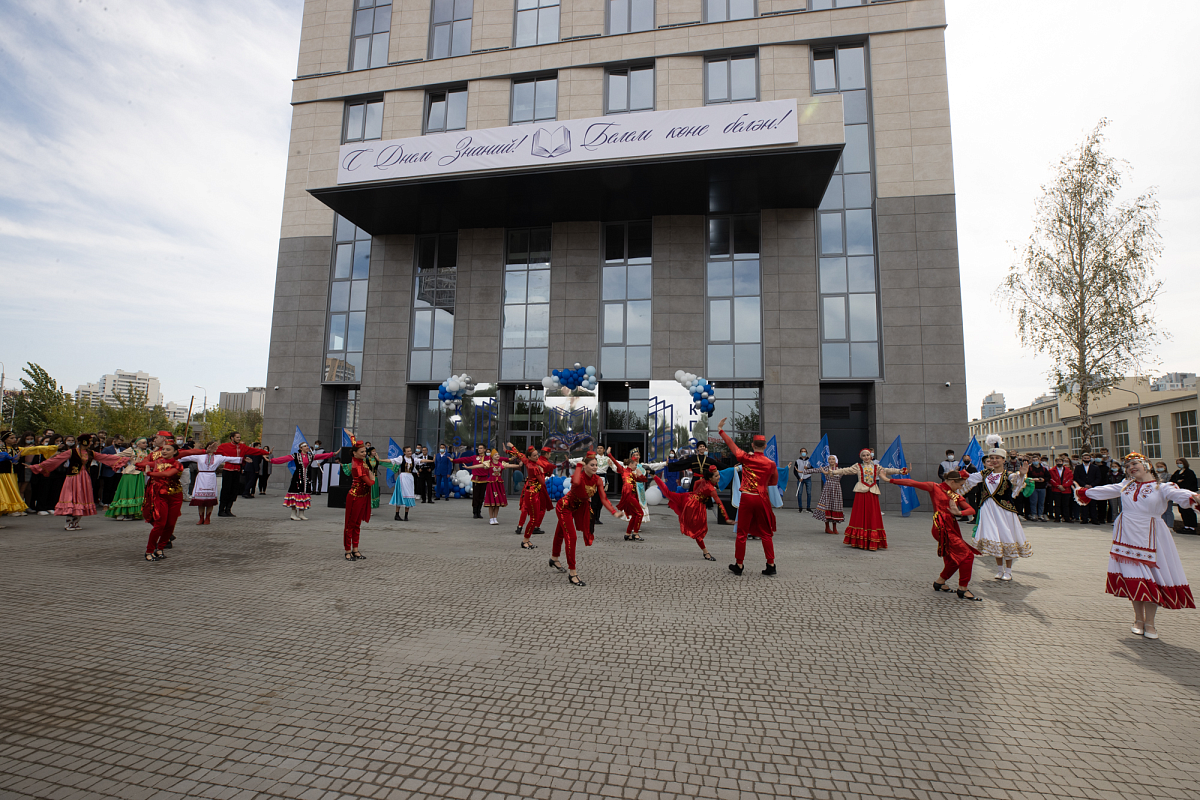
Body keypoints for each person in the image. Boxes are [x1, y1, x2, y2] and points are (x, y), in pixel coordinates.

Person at [1075, 452, 1197, 638]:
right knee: (1135, 579)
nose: (1131, 467)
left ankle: (1150, 623)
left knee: (1152, 581)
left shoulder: (1162, 487)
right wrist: (1084, 492)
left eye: (1134, 464)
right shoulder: (1126, 485)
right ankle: (1138, 620)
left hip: (1152, 538)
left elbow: (1180, 495)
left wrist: (1194, 496)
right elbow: (1106, 490)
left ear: (1147, 465)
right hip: (1127, 538)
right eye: (1128, 466)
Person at [890, 471, 982, 601]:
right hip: (941, 527)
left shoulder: (955, 495)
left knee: (955, 558)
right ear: (952, 482)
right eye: (960, 484)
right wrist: (890, 480)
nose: (961, 487)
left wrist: (959, 513)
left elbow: (971, 510)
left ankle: (940, 582)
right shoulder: (935, 487)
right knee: (967, 555)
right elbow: (913, 483)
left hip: (951, 527)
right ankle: (963, 588)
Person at [963, 435, 1032, 581]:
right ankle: (1000, 570)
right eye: (992, 458)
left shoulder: (1008, 475)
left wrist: (1022, 475)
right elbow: (968, 479)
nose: (994, 460)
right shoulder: (984, 474)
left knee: (1006, 537)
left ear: (1003, 460)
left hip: (1004, 511)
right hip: (988, 510)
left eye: (997, 458)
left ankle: (1008, 571)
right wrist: (955, 477)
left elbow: (1017, 482)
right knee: (994, 538)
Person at [550, 453, 624, 586]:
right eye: (592, 465)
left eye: (596, 465)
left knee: (560, 532)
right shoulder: (579, 476)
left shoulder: (598, 480)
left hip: (579, 507)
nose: (595, 467)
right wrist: (579, 465)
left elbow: (603, 498)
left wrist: (614, 512)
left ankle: (554, 558)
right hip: (565, 507)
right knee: (571, 537)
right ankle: (573, 573)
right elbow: (576, 482)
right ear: (585, 466)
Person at [28, 434, 128, 530]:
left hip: (84, 478)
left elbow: (106, 457)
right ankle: (69, 522)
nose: (90, 443)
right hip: (73, 478)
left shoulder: (90, 453)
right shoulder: (72, 452)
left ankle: (76, 522)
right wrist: (37, 466)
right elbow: (56, 460)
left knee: (82, 498)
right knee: (72, 498)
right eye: (89, 441)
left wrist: (123, 459)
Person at [717, 419, 778, 576]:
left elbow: (732, 446)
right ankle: (771, 564)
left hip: (747, 497)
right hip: (762, 498)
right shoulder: (771, 463)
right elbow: (773, 482)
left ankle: (739, 564)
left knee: (742, 533)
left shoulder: (746, 458)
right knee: (766, 533)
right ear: (765, 446)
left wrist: (721, 430)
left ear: (752, 445)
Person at [824, 447, 906, 551]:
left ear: (871, 456)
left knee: (872, 515)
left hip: (872, 494)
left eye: (867, 455)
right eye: (864, 455)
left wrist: (900, 471)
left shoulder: (876, 467)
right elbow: (846, 470)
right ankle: (859, 540)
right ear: (861, 457)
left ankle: (871, 539)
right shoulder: (858, 466)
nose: (866, 457)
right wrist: (833, 472)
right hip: (861, 494)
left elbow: (886, 470)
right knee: (860, 515)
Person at [652, 468, 727, 560]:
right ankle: (706, 552)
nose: (719, 477)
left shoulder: (705, 481)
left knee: (668, 494)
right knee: (698, 531)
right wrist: (727, 518)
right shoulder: (711, 489)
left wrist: (695, 493)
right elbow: (719, 503)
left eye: (718, 475)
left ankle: (654, 476)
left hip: (688, 497)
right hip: (694, 507)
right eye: (716, 476)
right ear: (710, 478)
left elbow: (696, 483)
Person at [137, 442, 186, 561]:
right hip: (160, 495)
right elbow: (141, 464)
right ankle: (149, 551)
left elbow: (167, 473)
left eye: (168, 449)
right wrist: (134, 461)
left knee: (170, 524)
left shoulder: (178, 464)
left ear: (175, 452)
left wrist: (149, 473)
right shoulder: (157, 462)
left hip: (175, 496)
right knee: (160, 524)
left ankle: (160, 548)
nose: (164, 451)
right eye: (163, 449)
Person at [179, 443, 243, 525]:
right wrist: (174, 457)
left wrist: (243, 459)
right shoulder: (200, 456)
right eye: (210, 447)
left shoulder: (218, 457)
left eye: (215, 447)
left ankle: (208, 518)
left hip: (211, 477)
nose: (213, 449)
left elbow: (230, 459)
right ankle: (201, 518)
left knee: (210, 499)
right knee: (200, 500)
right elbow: (186, 457)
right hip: (201, 477)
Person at [269, 442, 336, 521]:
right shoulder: (296, 455)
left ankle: (301, 514)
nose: (307, 447)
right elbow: (284, 459)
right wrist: (272, 460)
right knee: (295, 494)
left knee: (304, 495)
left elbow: (321, 456)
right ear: (301, 448)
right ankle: (293, 514)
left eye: (307, 446)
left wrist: (332, 454)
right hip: (297, 478)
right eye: (305, 446)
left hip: (306, 478)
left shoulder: (310, 456)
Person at [668, 442, 729, 524]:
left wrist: (732, 467)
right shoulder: (693, 459)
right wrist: (669, 465)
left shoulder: (709, 460)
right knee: (692, 499)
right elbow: (682, 463)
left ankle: (709, 518)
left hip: (704, 482)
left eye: (703, 446)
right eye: (700, 446)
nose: (702, 447)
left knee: (705, 501)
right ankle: (689, 517)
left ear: (705, 448)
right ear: (698, 448)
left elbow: (719, 465)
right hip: (695, 481)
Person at [215, 432, 268, 517]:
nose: (239, 439)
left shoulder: (242, 447)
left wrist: (265, 452)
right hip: (228, 470)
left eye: (239, 437)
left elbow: (253, 450)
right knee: (226, 490)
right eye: (237, 437)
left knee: (234, 490)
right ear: (232, 438)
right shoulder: (224, 446)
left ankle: (228, 509)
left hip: (237, 470)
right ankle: (221, 510)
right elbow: (215, 452)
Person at [508, 444, 551, 545]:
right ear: (529, 457)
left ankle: (526, 538)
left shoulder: (527, 462)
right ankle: (525, 540)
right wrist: (542, 472)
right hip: (532, 494)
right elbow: (542, 482)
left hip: (532, 491)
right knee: (533, 518)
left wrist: (512, 447)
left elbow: (519, 454)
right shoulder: (534, 467)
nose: (537, 457)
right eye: (534, 455)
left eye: (537, 454)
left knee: (532, 516)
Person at [468, 449, 519, 525]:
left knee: (497, 503)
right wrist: (469, 467)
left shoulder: (501, 464)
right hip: (491, 484)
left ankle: (495, 518)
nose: (497, 456)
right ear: (492, 457)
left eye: (498, 454)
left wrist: (519, 465)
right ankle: (491, 518)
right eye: (495, 455)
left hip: (499, 484)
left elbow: (510, 465)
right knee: (491, 502)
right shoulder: (489, 464)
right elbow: (479, 466)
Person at [613, 450, 654, 541]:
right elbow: (615, 462)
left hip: (633, 496)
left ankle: (628, 534)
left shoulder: (633, 474)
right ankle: (635, 533)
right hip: (629, 497)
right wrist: (609, 454)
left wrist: (640, 474)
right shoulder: (624, 471)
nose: (636, 467)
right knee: (640, 513)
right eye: (635, 465)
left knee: (635, 515)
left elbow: (644, 480)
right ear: (630, 464)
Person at [343, 440, 374, 560]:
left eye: (365, 451)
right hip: (355, 497)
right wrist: (373, 479)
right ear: (354, 453)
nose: (364, 453)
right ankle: (347, 550)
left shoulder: (361, 462)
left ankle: (355, 549)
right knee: (350, 524)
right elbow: (370, 482)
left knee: (357, 524)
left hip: (362, 496)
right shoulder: (357, 465)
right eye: (362, 452)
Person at [810, 454, 844, 534]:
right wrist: (803, 472)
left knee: (835, 506)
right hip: (828, 488)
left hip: (836, 489)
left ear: (836, 460)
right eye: (830, 459)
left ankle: (835, 527)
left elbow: (850, 471)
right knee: (827, 506)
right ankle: (827, 527)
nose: (831, 460)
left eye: (833, 459)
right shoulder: (826, 468)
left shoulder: (840, 469)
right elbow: (815, 470)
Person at [454, 444, 489, 519]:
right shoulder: (475, 457)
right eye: (479, 448)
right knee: (476, 496)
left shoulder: (488, 458)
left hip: (484, 479)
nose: (479, 449)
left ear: (485, 450)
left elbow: (499, 459)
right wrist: (453, 460)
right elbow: (464, 459)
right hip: (476, 479)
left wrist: (509, 459)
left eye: (481, 448)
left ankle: (479, 512)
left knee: (481, 496)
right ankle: (475, 512)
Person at [1073, 452, 1108, 525]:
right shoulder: (1078, 467)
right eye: (1085, 458)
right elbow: (1076, 477)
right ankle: (1084, 519)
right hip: (1083, 488)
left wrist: (1092, 485)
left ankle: (1094, 519)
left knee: (1093, 504)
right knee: (1084, 503)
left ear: (1090, 459)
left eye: (1088, 458)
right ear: (1082, 459)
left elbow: (1098, 477)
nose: (1086, 459)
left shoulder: (1095, 467)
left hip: (1092, 488)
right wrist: (1084, 485)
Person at [385, 446, 418, 521]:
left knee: (409, 495)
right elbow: (391, 460)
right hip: (402, 477)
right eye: (408, 451)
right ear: (404, 452)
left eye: (410, 451)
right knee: (400, 494)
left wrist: (432, 460)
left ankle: (406, 515)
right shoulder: (401, 458)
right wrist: (380, 460)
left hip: (410, 478)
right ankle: (397, 514)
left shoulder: (413, 459)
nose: (410, 452)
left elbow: (422, 460)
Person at [1169, 457, 1198, 534]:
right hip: (1180, 495)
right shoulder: (1177, 472)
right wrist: (1177, 481)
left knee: (1189, 511)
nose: (1179, 464)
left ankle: (1192, 527)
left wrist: (1181, 483)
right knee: (1182, 510)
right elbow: (1172, 481)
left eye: (1180, 463)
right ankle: (1186, 525)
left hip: (1187, 495)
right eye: (1178, 463)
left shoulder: (1189, 472)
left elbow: (1190, 483)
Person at [1048, 455, 1074, 522]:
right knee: (1057, 504)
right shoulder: (1051, 470)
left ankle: (1066, 517)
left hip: (1066, 489)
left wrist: (1064, 486)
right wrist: (1058, 486)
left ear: (1062, 462)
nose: (1059, 463)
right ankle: (1057, 517)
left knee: (1066, 505)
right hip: (1056, 489)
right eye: (1057, 461)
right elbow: (1051, 479)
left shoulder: (1068, 470)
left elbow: (1070, 480)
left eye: (1060, 461)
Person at [1026, 454, 1048, 521]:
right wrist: (1033, 479)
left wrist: (1043, 479)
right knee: (1033, 502)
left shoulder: (1043, 469)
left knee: (1041, 502)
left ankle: (1040, 514)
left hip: (1042, 487)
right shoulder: (1029, 468)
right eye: (1033, 460)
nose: (1035, 461)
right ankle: (1034, 514)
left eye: (1036, 460)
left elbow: (1048, 477)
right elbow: (1027, 477)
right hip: (1033, 487)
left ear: (1039, 460)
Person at [793, 448, 813, 512]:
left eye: (804, 451)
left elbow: (813, 469)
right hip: (800, 478)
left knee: (809, 493)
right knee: (800, 493)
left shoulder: (810, 460)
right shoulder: (797, 461)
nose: (803, 452)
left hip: (808, 478)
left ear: (806, 452)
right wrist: (798, 478)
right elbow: (795, 471)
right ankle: (800, 507)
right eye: (802, 451)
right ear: (800, 452)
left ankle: (808, 507)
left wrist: (808, 468)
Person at [1156, 461, 1175, 527]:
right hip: (1158, 495)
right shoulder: (1154, 475)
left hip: (1166, 495)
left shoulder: (1169, 475)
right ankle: (1163, 525)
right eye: (1158, 467)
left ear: (1165, 467)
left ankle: (1170, 525)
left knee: (1168, 511)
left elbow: (1168, 484)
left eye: (1161, 466)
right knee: (1161, 511)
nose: (1159, 468)